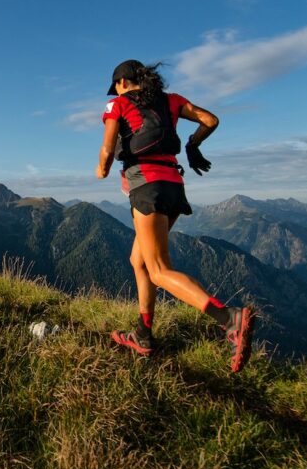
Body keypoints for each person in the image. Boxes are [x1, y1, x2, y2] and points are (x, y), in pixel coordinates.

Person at [95, 59, 256, 373]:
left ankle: (230, 320)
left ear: (123, 82)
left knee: (158, 269)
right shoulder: (172, 100)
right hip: (174, 186)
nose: (115, 91)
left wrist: (102, 170)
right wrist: (193, 145)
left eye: (115, 86)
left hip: (147, 187)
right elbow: (210, 119)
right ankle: (143, 334)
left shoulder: (117, 104)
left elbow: (107, 148)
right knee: (138, 261)